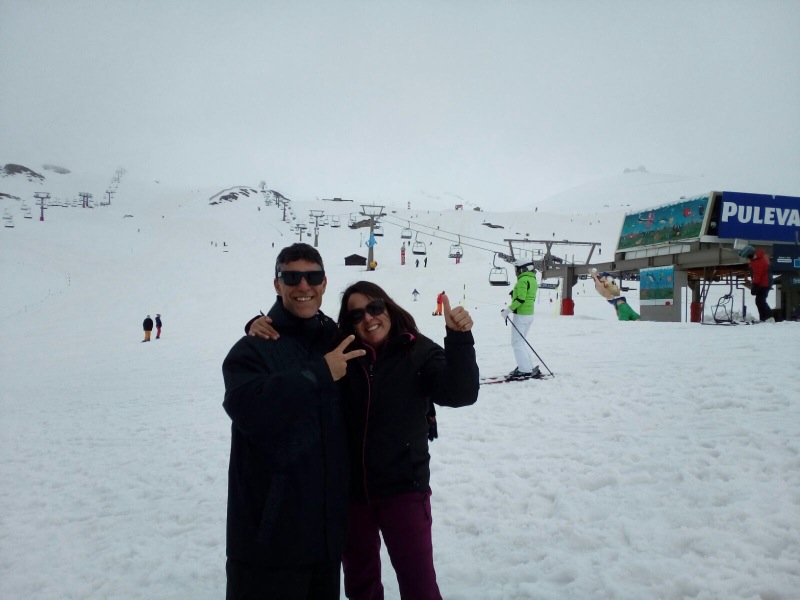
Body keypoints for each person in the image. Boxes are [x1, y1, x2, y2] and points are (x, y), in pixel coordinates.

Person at [248, 281, 479, 600]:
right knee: (361, 585)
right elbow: (301, 336)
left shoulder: (418, 351)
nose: (368, 318)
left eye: (374, 307)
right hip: (351, 494)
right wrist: (257, 324)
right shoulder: (341, 352)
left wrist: (459, 338)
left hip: (404, 490)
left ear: (388, 307)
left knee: (419, 585)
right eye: (357, 315)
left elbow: (461, 393)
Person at [221, 243, 365, 599]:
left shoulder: (335, 340)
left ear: (325, 283)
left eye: (313, 277)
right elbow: (248, 407)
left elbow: (388, 351)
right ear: (277, 284)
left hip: (325, 536)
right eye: (292, 277)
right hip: (269, 541)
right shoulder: (252, 348)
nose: (304, 286)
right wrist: (318, 374)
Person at [500, 259, 538, 378]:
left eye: (517, 269)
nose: (516, 271)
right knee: (521, 341)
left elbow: (521, 299)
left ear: (523, 269)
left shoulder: (523, 280)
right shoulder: (532, 279)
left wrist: (507, 310)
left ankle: (525, 369)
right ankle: (527, 366)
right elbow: (529, 297)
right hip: (529, 314)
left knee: (516, 342)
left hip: (521, 315)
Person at [742, 245, 774, 322]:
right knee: (760, 300)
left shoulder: (758, 261)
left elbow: (757, 274)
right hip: (765, 282)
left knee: (760, 300)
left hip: (764, 283)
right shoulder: (758, 258)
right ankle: (764, 318)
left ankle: (769, 317)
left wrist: (755, 285)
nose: (747, 258)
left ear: (751, 254)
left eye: (748, 256)